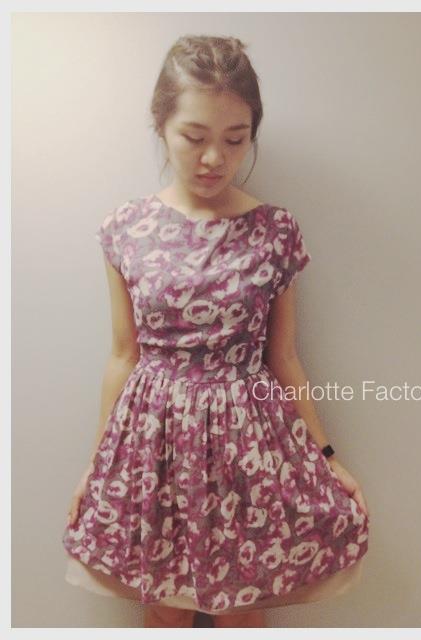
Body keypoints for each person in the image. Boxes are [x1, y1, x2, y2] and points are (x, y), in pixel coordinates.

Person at [61, 35, 370, 627]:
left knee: (242, 614)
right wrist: (97, 464)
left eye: (234, 139)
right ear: (161, 126)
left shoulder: (276, 231)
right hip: (154, 445)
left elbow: (284, 357)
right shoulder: (125, 229)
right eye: (194, 137)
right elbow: (124, 355)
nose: (214, 158)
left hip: (249, 446)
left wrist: (327, 455)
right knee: (166, 613)